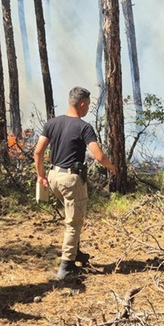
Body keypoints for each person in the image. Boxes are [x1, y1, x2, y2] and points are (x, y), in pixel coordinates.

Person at [33, 87, 116, 280]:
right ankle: (66, 267)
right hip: (71, 179)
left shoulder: (52, 123)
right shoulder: (84, 127)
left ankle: (76, 253)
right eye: (87, 105)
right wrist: (111, 167)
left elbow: (38, 152)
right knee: (74, 222)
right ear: (82, 104)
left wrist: (41, 175)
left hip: (54, 177)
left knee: (72, 214)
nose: (87, 109)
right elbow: (99, 155)